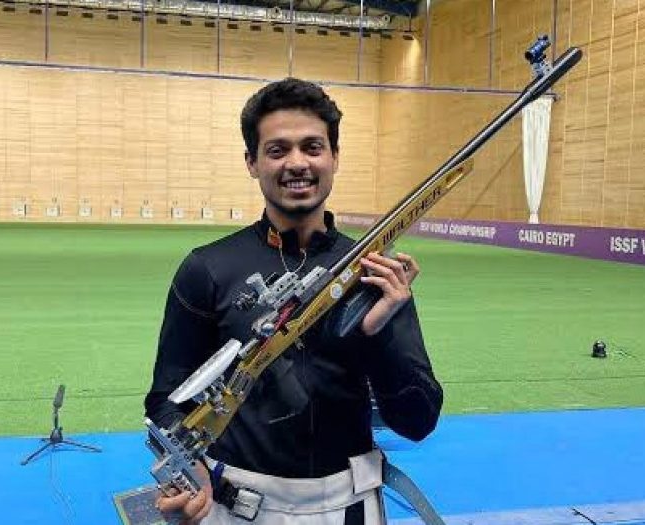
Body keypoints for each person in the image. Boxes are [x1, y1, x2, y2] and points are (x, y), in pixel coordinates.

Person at [144, 78, 443, 525]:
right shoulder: (206, 268)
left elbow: (417, 421)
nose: (297, 163)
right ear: (252, 162)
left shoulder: (374, 273)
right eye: (278, 150)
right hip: (233, 507)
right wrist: (192, 473)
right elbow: (167, 399)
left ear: (335, 157)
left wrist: (376, 337)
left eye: (312, 147)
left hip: (351, 507)